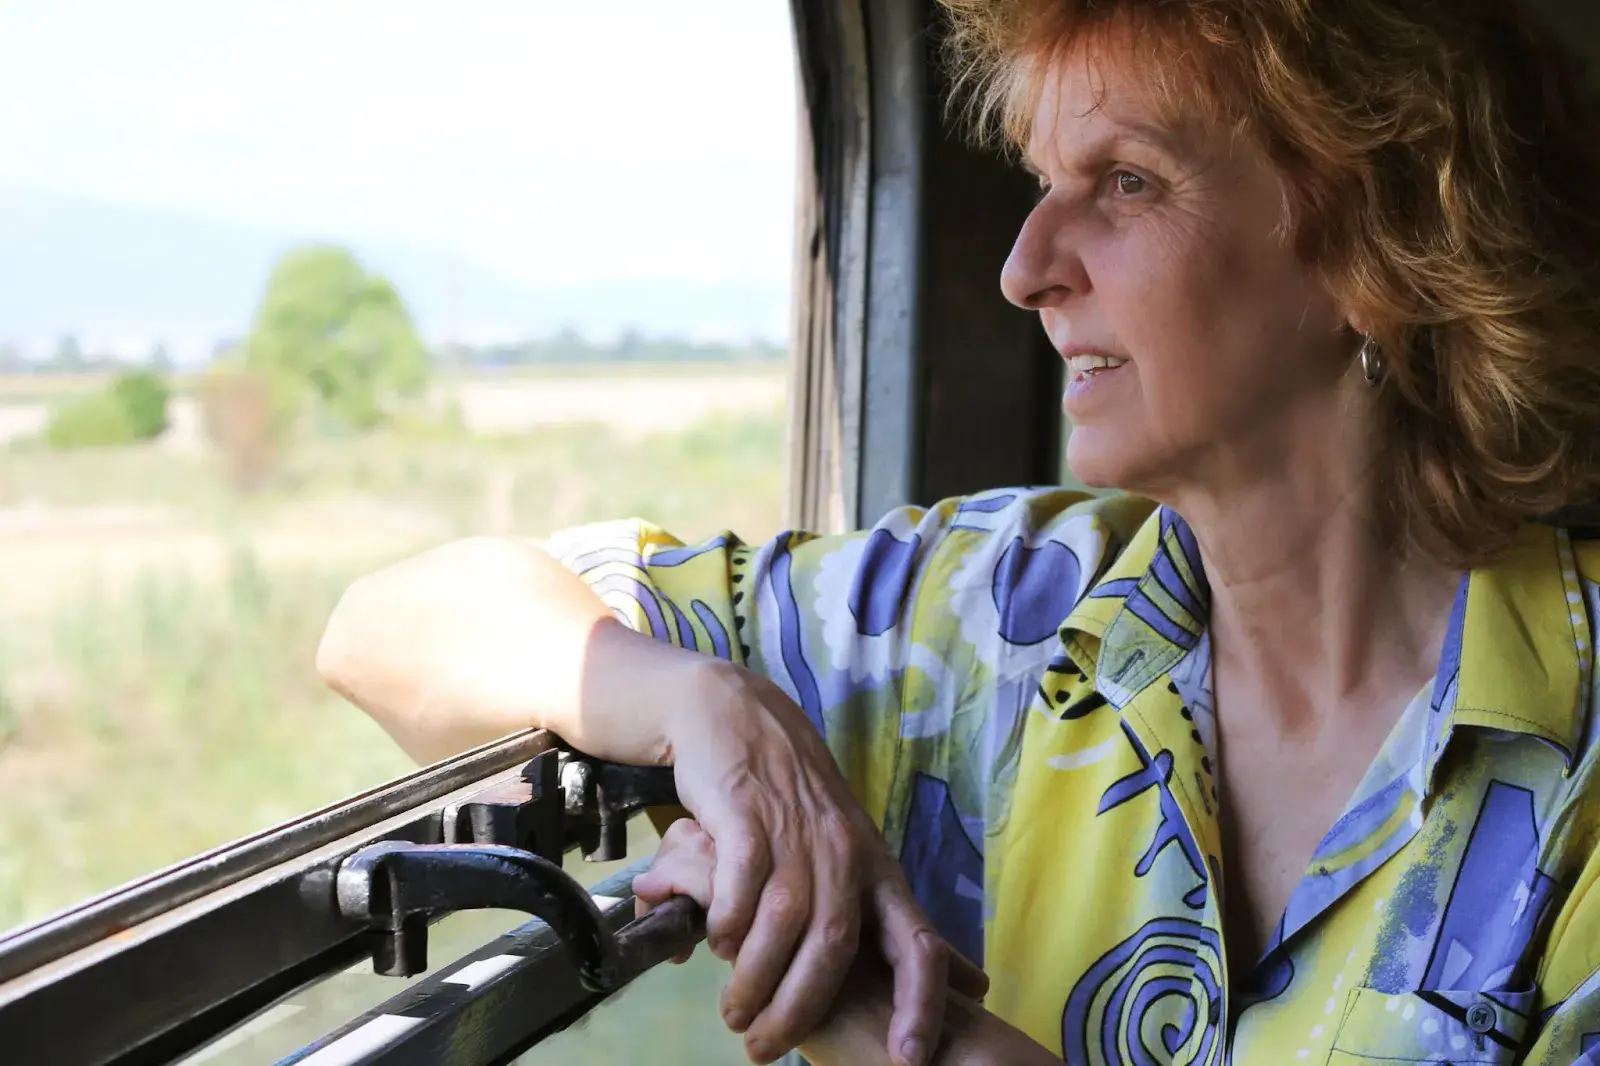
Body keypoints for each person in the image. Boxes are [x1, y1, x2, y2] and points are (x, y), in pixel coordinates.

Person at [315, 0, 1600, 1062]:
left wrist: (883, 1019)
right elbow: (392, 629)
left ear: (1375, 241)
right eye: (1045, 185)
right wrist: (707, 706)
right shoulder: (1004, 608)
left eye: (1127, 184)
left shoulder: (1579, 739)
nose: (1027, 264)